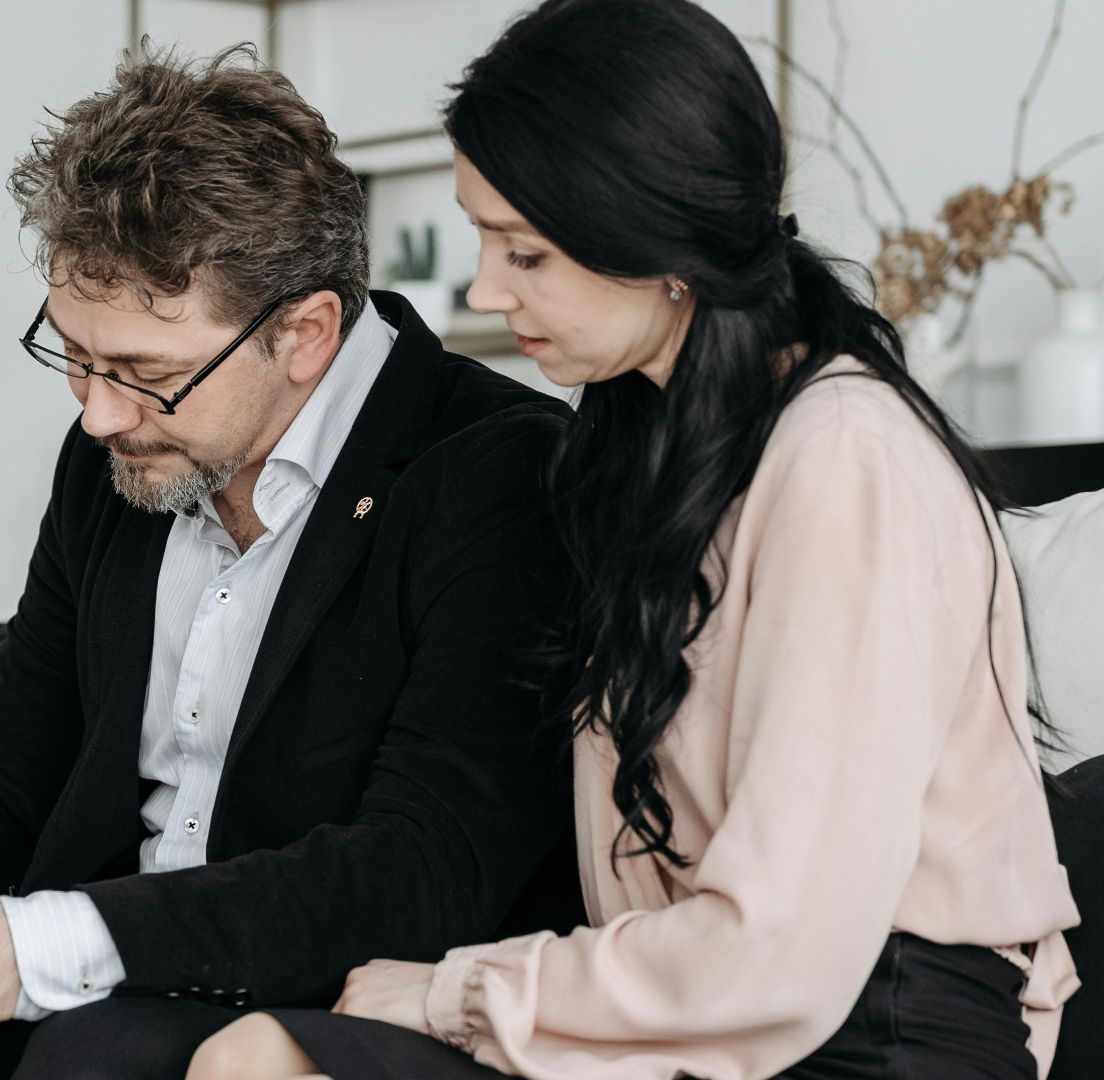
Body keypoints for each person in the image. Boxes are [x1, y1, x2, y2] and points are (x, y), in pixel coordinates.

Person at [0, 43, 581, 1080]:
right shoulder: (122, 462)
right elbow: (11, 757)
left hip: (312, 999)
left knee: (96, 1053)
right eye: (74, 354)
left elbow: (422, 866)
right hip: (77, 985)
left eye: (144, 373)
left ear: (305, 334)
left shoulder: (506, 474)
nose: (98, 412)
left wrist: (30, 949)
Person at [188, 1, 1083, 1078]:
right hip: (692, 1018)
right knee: (256, 1054)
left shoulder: (844, 457)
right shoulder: (645, 444)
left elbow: (779, 948)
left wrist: (459, 990)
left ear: (662, 251)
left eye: (525, 253)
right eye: (484, 239)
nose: (482, 290)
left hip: (867, 1030)